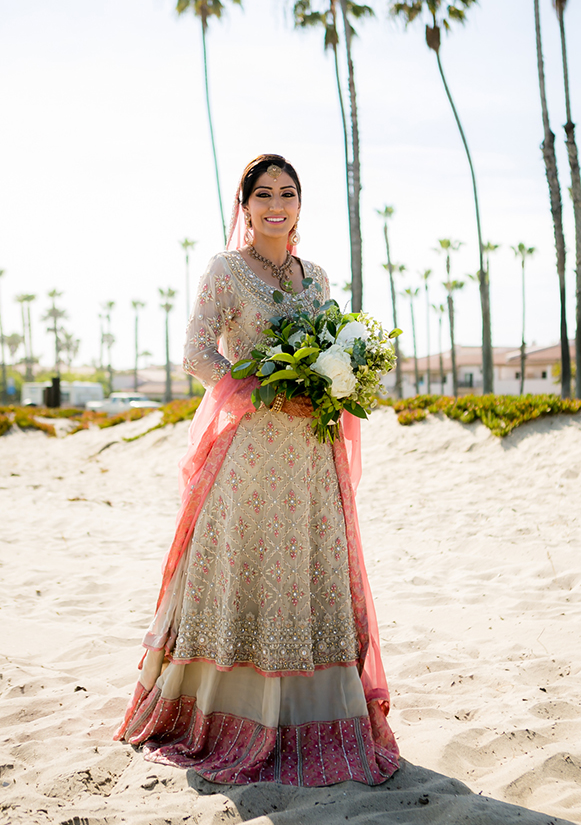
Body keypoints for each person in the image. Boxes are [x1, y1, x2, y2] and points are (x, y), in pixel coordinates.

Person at [115, 154, 399, 787]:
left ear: (300, 205)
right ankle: (228, 715)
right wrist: (253, 390)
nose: (277, 204)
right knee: (251, 567)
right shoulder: (225, 272)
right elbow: (195, 353)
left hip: (309, 456)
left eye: (288, 193)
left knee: (308, 567)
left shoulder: (317, 278)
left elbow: (330, 353)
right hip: (248, 455)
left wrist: (330, 384)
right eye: (264, 194)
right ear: (243, 206)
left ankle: (318, 717)